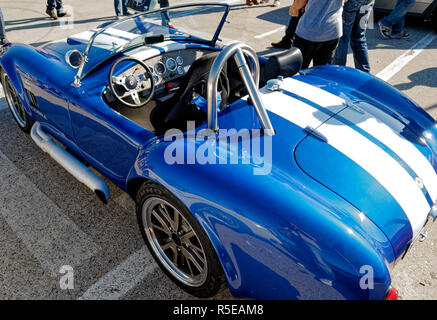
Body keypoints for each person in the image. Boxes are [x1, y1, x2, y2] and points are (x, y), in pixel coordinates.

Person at [292, 0, 345, 69]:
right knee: (322, 72)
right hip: (333, 28)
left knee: (297, 70)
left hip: (310, 30)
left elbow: (300, 2)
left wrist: (294, 8)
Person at [333, 0, 374, 73]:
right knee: (359, 38)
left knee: (342, 39)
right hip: (368, 2)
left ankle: (338, 72)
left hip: (351, 3)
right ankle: (364, 73)